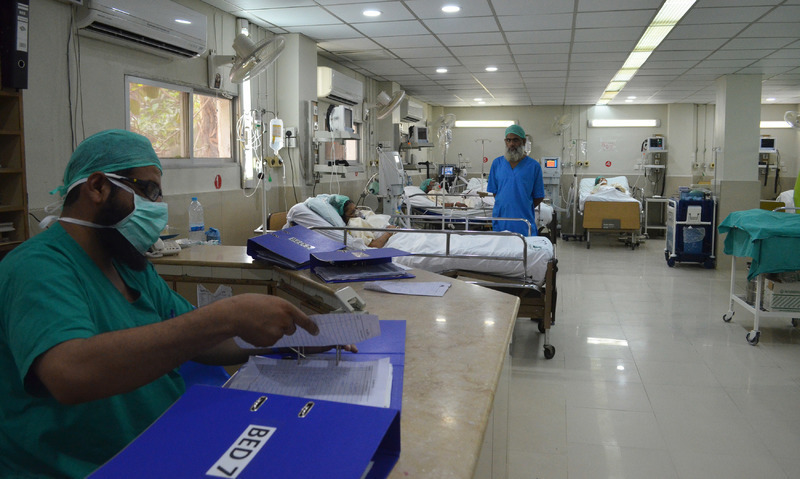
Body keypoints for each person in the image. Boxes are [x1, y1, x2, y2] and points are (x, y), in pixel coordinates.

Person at [0, 130, 327, 478]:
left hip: (160, 448)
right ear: (97, 187)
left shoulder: (128, 266)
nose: (157, 207)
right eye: (149, 191)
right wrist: (225, 316)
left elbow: (203, 340)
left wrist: (297, 338)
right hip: (85, 469)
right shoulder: (37, 268)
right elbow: (71, 373)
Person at [486, 124, 545, 235]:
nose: (511, 144)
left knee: (524, 249)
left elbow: (539, 196)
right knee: (501, 249)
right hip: (501, 220)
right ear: (505, 142)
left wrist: (522, 205)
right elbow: (495, 192)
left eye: (515, 140)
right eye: (508, 140)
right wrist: (506, 204)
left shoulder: (533, 166)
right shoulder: (497, 164)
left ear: (523, 141)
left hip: (523, 221)